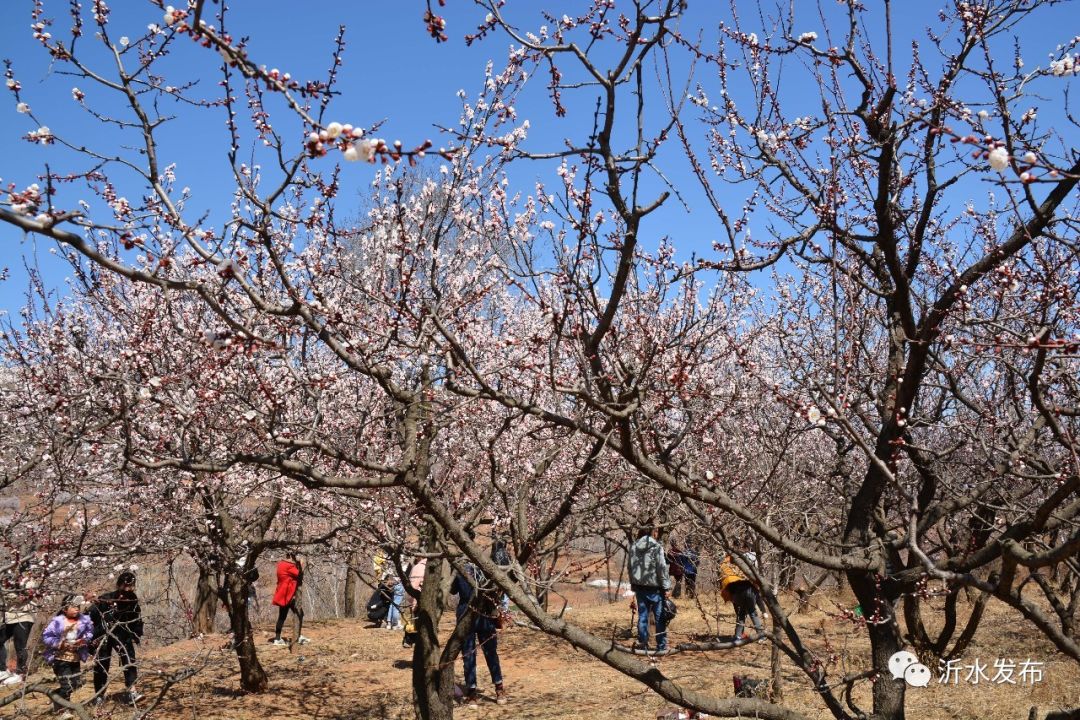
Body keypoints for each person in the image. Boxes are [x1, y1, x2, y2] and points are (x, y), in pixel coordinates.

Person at [449, 550, 507, 706]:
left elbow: (452, 590)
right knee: (477, 653)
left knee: (481, 653)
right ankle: (480, 691)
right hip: (472, 616)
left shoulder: (473, 566)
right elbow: (453, 589)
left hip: (477, 615)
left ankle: (487, 690)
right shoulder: (475, 567)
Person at [90, 571, 145, 704]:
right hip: (104, 635)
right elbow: (92, 616)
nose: (128, 589)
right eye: (125, 585)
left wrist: (136, 634)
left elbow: (136, 617)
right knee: (102, 664)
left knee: (129, 660)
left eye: (131, 586)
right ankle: (99, 695)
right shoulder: (106, 598)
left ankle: (132, 690)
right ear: (119, 585)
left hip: (123, 635)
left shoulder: (133, 599)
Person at [42, 595, 95, 714]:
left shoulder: (84, 621)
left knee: (76, 683)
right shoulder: (57, 622)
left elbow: (90, 633)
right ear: (65, 609)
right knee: (67, 686)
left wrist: (83, 641)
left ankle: (55, 695)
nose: (77, 609)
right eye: (73, 606)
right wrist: (59, 644)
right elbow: (46, 637)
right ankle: (64, 711)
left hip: (75, 658)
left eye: (78, 606)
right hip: (60, 659)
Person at [627, 525, 672, 652]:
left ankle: (643, 643)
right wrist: (667, 586)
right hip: (655, 588)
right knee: (659, 618)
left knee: (642, 616)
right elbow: (661, 569)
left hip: (640, 587)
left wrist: (633, 582)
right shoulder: (657, 547)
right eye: (656, 531)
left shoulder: (634, 547)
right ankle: (661, 645)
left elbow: (630, 567)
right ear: (654, 532)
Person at [0, 567, 37, 686]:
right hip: (10, 617)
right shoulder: (6, 582)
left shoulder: (28, 581)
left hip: (24, 617)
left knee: (20, 645)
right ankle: (2, 670)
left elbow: (25, 596)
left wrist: (8, 595)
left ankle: (20, 673)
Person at [718, 553, 764, 642]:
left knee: (741, 614)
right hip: (747, 590)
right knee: (752, 613)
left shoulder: (726, 564)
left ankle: (738, 636)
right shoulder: (745, 563)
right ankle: (761, 636)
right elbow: (758, 596)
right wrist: (763, 611)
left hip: (736, 593)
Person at [271, 554, 307, 645]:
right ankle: (297, 636)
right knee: (300, 613)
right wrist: (302, 564)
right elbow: (300, 574)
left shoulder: (281, 564)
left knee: (282, 616)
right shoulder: (288, 566)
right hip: (288, 594)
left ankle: (277, 638)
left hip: (283, 593)